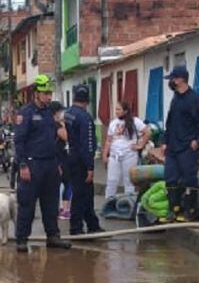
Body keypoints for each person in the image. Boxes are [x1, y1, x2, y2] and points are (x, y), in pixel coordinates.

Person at [14, 73, 72, 252]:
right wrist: (22, 165)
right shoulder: (26, 113)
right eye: (46, 93)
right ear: (37, 94)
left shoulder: (49, 113)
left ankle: (53, 236)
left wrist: (58, 164)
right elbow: (19, 141)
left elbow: (53, 140)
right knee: (27, 205)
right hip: (32, 165)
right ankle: (22, 239)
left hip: (50, 165)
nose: (49, 96)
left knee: (50, 204)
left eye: (50, 93)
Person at [163, 65, 199, 222]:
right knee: (170, 177)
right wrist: (164, 141)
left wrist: (197, 140)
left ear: (180, 79)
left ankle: (190, 210)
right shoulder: (175, 98)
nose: (171, 82)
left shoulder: (196, 100)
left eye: (172, 79)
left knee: (189, 179)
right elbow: (170, 122)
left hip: (188, 146)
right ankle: (173, 210)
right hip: (173, 145)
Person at [64, 85, 104, 235]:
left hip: (72, 157)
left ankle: (92, 224)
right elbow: (87, 144)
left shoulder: (69, 114)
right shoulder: (84, 117)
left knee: (85, 194)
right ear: (87, 100)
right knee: (81, 195)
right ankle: (76, 228)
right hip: (82, 161)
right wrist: (90, 167)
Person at [102, 102, 150, 199]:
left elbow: (147, 132)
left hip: (129, 155)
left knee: (128, 181)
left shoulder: (135, 121)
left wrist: (140, 145)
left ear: (125, 111)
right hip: (114, 155)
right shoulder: (113, 123)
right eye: (116, 109)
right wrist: (104, 154)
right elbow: (108, 140)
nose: (116, 112)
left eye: (119, 109)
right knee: (111, 181)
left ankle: (128, 205)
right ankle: (108, 203)